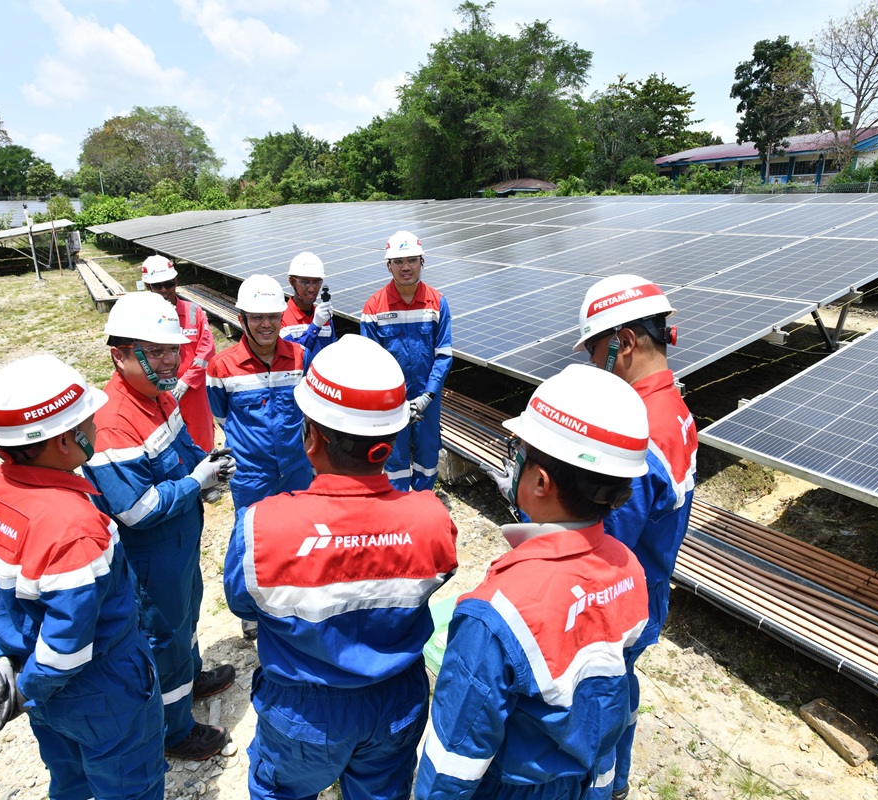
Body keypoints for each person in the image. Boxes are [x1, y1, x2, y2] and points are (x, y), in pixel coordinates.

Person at [224, 334, 459, 800]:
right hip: (396, 702)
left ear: (311, 437)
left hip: (302, 713)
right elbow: (438, 577)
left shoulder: (262, 527)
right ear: (391, 440)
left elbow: (243, 604)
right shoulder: (433, 520)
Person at [416, 364, 650, 799]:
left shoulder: (497, 612)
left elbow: (453, 761)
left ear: (540, 481)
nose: (513, 462)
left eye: (520, 452)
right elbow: (606, 702)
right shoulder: (628, 570)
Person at [0, 355, 165, 799]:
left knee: (69, 780)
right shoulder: (75, 527)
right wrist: (28, 689)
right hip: (100, 686)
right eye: (88, 420)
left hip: (30, 672)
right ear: (67, 441)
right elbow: (68, 642)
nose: (96, 425)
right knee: (129, 783)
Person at [81, 292, 235, 761]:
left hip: (181, 538)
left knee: (187, 611)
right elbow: (137, 510)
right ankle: (174, 730)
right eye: (156, 351)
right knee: (164, 633)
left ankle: (190, 676)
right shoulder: (113, 422)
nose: (170, 360)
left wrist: (208, 465)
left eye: (173, 349)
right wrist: (195, 482)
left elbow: (184, 449)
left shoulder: (160, 395)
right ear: (120, 355)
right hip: (151, 552)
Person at [574, 275, 698, 800]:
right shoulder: (675, 409)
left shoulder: (639, 432)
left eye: (594, 350)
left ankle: (599, 788)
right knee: (620, 690)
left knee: (594, 706)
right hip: (650, 587)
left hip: (615, 602)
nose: (591, 363)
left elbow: (605, 544)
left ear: (623, 342)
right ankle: (618, 782)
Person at [207, 274, 311, 513]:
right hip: (251, 477)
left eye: (273, 316)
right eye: (256, 317)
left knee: (298, 528)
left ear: (282, 317)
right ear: (241, 320)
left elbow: (309, 411)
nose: (266, 324)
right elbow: (222, 417)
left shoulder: (301, 357)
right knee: (253, 531)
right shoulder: (221, 367)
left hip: (297, 470)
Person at [360, 230, 452, 492]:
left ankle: (423, 502)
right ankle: (397, 504)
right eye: (398, 261)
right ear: (388, 265)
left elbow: (444, 355)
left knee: (428, 456)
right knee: (394, 457)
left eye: (411, 260)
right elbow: (371, 362)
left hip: (427, 399)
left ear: (422, 261)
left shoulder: (437, 302)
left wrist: (428, 395)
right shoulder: (373, 307)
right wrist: (393, 398)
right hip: (390, 401)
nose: (406, 267)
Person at [141, 254, 217, 451]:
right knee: (166, 441)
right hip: (159, 390)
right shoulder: (142, 318)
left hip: (193, 390)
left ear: (176, 281)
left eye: (169, 284)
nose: (164, 290)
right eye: (157, 286)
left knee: (201, 438)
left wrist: (186, 381)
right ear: (148, 286)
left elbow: (207, 350)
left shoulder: (194, 312)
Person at [281, 251, 335, 356]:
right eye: (305, 282)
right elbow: (292, 356)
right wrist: (315, 326)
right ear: (292, 282)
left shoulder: (324, 317)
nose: (311, 289)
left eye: (316, 282)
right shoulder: (281, 318)